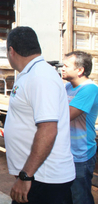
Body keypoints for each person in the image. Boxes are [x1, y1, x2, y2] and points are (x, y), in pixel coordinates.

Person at [4, 27, 75, 204]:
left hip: (44, 180)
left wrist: (25, 176)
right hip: (37, 177)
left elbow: (48, 130)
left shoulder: (40, 77)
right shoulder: (31, 74)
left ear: (11, 51)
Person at [62, 51, 98, 204]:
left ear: (80, 70)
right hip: (67, 153)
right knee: (66, 197)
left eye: (66, 66)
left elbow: (65, 115)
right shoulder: (68, 87)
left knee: (80, 198)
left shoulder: (89, 89)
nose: (62, 68)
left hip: (81, 155)